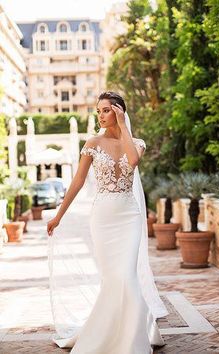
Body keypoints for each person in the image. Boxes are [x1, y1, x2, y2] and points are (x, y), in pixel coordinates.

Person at [47, 91, 168, 354]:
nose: (100, 115)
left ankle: (132, 340)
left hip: (129, 217)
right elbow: (78, 181)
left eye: (106, 110)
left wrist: (123, 126)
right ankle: (109, 334)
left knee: (126, 276)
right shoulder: (92, 143)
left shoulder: (137, 143)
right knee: (113, 278)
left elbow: (133, 161)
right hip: (102, 219)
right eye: (98, 111)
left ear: (119, 111)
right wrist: (59, 215)